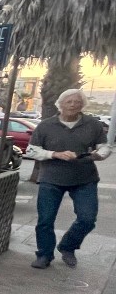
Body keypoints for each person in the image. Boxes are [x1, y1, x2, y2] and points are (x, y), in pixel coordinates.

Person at [25, 88, 110, 268]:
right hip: (51, 178)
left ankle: (67, 246)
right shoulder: (46, 125)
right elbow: (31, 150)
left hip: (84, 178)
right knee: (45, 220)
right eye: (69, 102)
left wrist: (99, 155)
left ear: (82, 105)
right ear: (60, 104)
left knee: (87, 219)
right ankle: (44, 255)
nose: (73, 105)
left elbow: (104, 146)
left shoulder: (92, 124)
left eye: (77, 102)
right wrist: (54, 154)